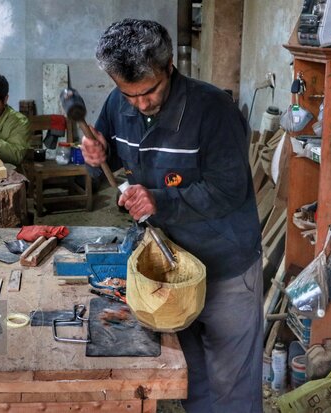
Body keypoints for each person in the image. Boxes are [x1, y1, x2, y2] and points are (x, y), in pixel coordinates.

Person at [82, 19, 263, 412]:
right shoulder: (118, 103)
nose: (141, 103)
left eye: (149, 91)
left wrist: (159, 200)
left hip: (224, 263)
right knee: (190, 374)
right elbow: (106, 163)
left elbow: (229, 190)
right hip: (168, 262)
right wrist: (96, 159)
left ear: (169, 68)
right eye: (130, 95)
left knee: (232, 383)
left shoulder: (214, 110)